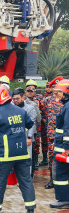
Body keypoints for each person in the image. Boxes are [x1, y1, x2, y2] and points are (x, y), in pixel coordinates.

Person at [50, 79, 69, 209]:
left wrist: (66, 148)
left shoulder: (68, 107)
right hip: (61, 145)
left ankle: (63, 199)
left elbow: (67, 129)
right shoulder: (66, 106)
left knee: (60, 173)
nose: (56, 95)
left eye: (59, 92)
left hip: (63, 148)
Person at [12, 89, 38, 177]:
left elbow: (32, 123)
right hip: (14, 137)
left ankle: (27, 176)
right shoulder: (11, 107)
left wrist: (29, 137)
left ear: (23, 97)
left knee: (27, 158)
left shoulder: (30, 108)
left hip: (26, 137)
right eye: (14, 99)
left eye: (17, 99)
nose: (15, 101)